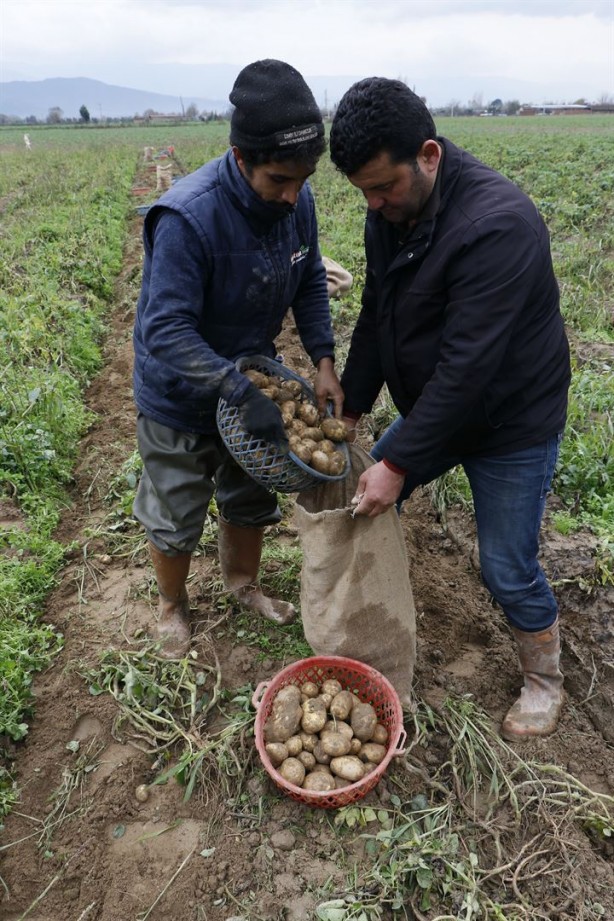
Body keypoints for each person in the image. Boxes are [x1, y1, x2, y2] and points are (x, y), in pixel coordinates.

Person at [329, 78, 571, 741]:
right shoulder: (390, 212)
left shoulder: (498, 226)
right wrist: (350, 407)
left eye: (385, 188)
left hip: (509, 419)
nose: (374, 205)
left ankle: (545, 677)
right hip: (442, 401)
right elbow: (377, 311)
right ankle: (366, 621)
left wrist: (399, 460)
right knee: (364, 491)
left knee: (505, 565)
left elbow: (470, 370)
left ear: (428, 155)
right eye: (365, 193)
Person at [132, 59, 343, 658]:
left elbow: (306, 281)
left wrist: (323, 358)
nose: (292, 194)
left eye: (304, 178)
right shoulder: (188, 218)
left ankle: (242, 584)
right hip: (181, 391)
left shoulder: (296, 203)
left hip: (250, 378)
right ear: (241, 158)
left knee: (250, 492)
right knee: (175, 507)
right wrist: (233, 388)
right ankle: (173, 606)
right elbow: (164, 329)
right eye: (279, 179)